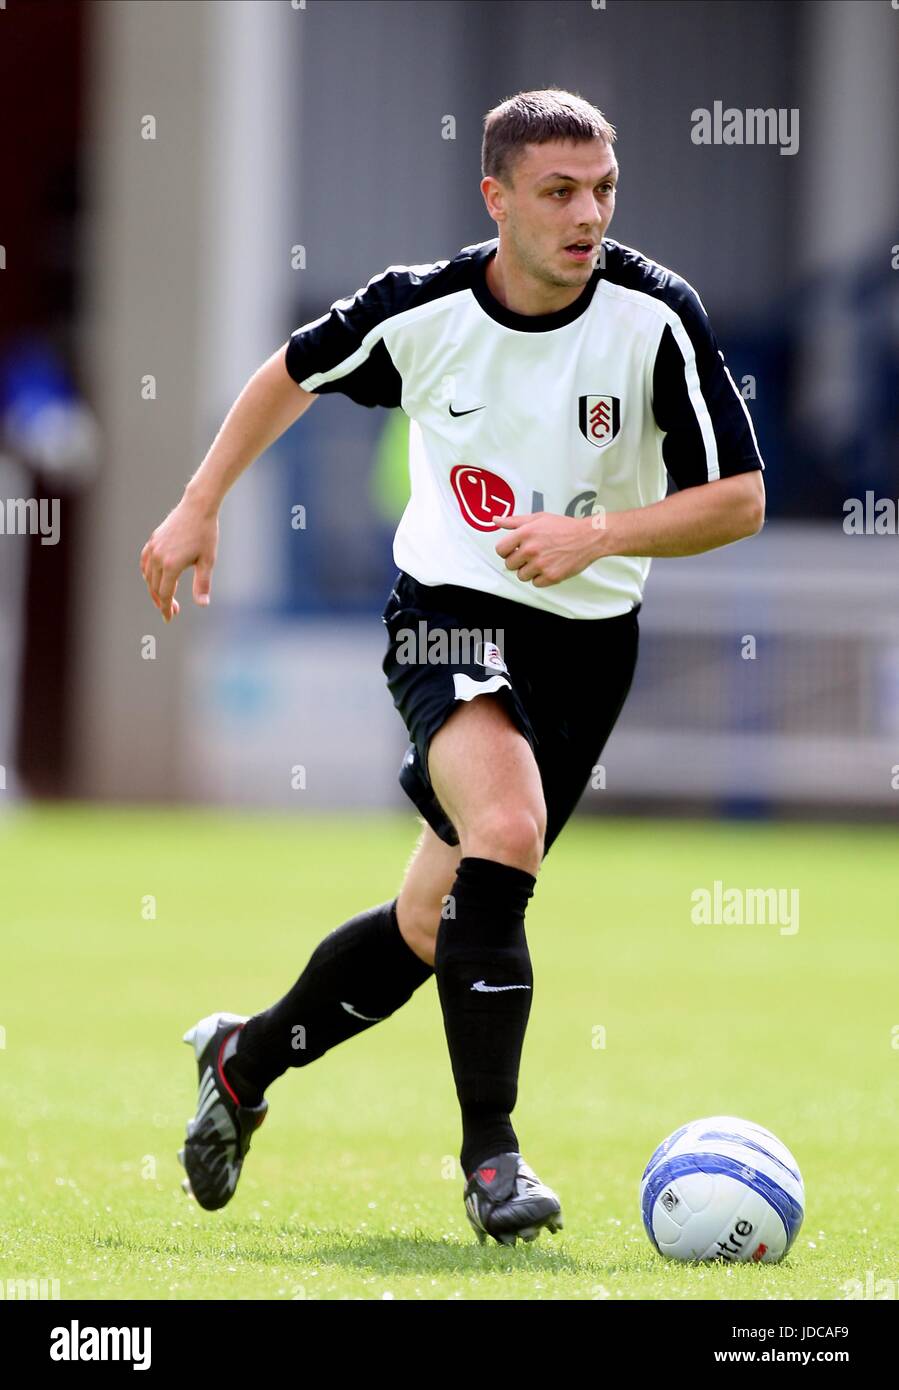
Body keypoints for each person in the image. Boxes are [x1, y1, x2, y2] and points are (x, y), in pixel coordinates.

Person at [140, 88, 765, 1247]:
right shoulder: (419, 307)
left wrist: (599, 535)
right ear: (496, 198)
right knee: (509, 829)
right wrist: (197, 502)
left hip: (588, 640)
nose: (589, 214)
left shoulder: (653, 315)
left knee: (436, 920)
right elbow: (289, 370)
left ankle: (242, 1059)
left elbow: (739, 499)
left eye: (603, 189)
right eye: (559, 192)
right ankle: (492, 1161)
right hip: (447, 612)